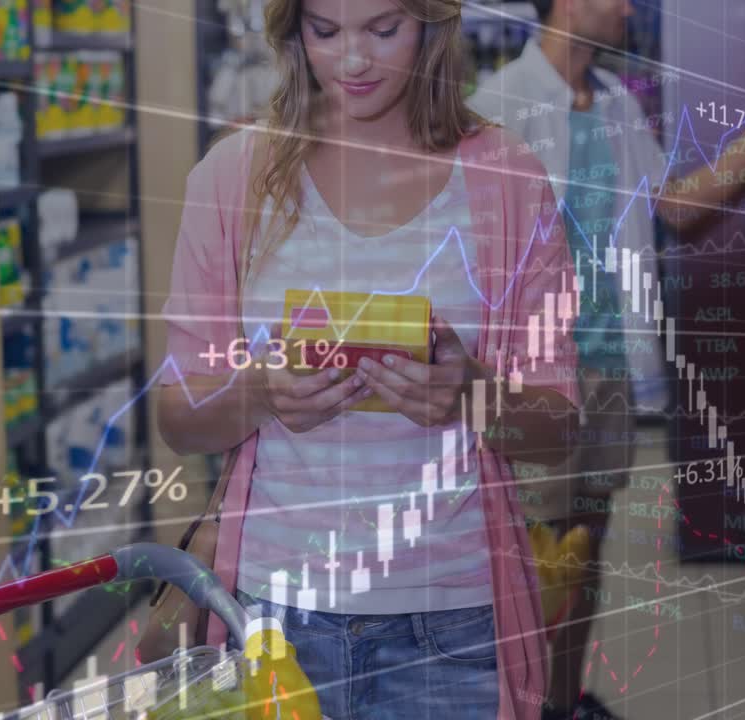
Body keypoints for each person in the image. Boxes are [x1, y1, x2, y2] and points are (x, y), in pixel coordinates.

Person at [157, 1, 585, 717]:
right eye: (325, 31)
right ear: (293, 30)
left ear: (432, 23)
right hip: (274, 616)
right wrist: (259, 394)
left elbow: (560, 428)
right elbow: (178, 417)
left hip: (453, 626)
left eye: (384, 30)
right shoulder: (232, 178)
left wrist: (470, 394)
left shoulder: (508, 178)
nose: (353, 61)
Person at [468, 2, 745, 718]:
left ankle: (563, 701)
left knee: (584, 556)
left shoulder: (616, 106)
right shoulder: (498, 105)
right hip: (530, 381)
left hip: (608, 373)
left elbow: (673, 209)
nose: (629, 8)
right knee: (530, 564)